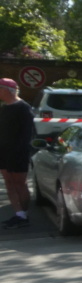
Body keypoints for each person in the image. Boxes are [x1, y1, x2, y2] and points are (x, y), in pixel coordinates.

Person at [0, 78, 35, 229]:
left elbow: (28, 133)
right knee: (9, 183)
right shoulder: (4, 108)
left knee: (20, 183)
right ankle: (18, 213)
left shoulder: (23, 108)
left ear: (8, 90)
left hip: (18, 152)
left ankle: (24, 215)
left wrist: (19, 150)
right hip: (3, 152)